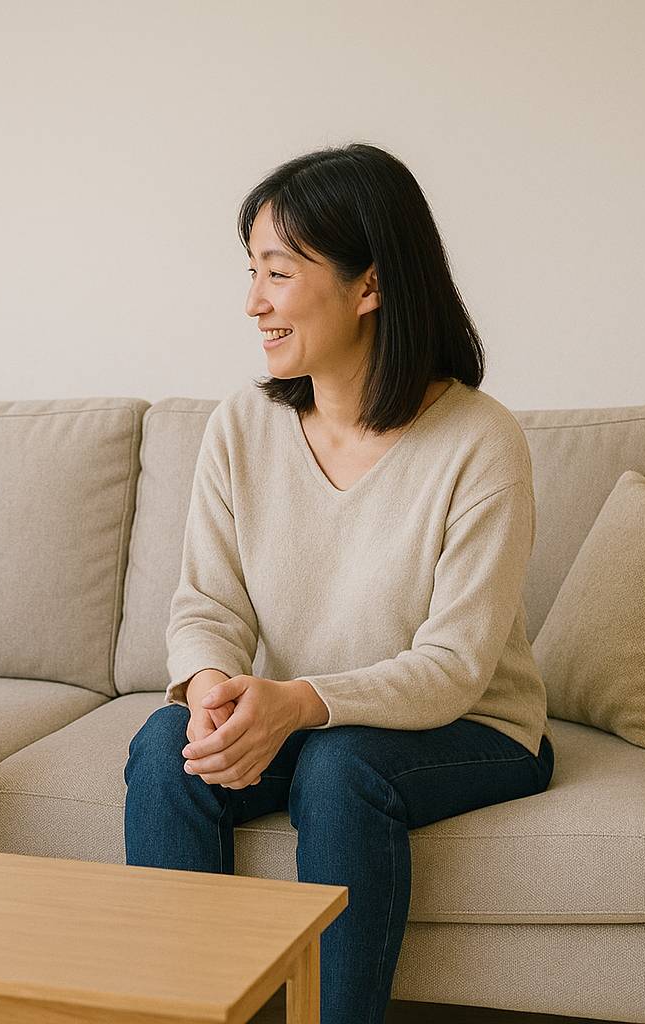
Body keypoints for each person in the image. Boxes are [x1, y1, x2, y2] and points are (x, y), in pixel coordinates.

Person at [123, 144, 555, 1024]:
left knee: (341, 765)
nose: (254, 303)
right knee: (166, 748)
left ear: (370, 285)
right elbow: (208, 603)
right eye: (252, 272)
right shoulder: (243, 424)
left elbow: (454, 665)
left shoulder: (480, 440)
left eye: (278, 273)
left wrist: (299, 702)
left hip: (471, 726)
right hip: (301, 713)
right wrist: (211, 691)